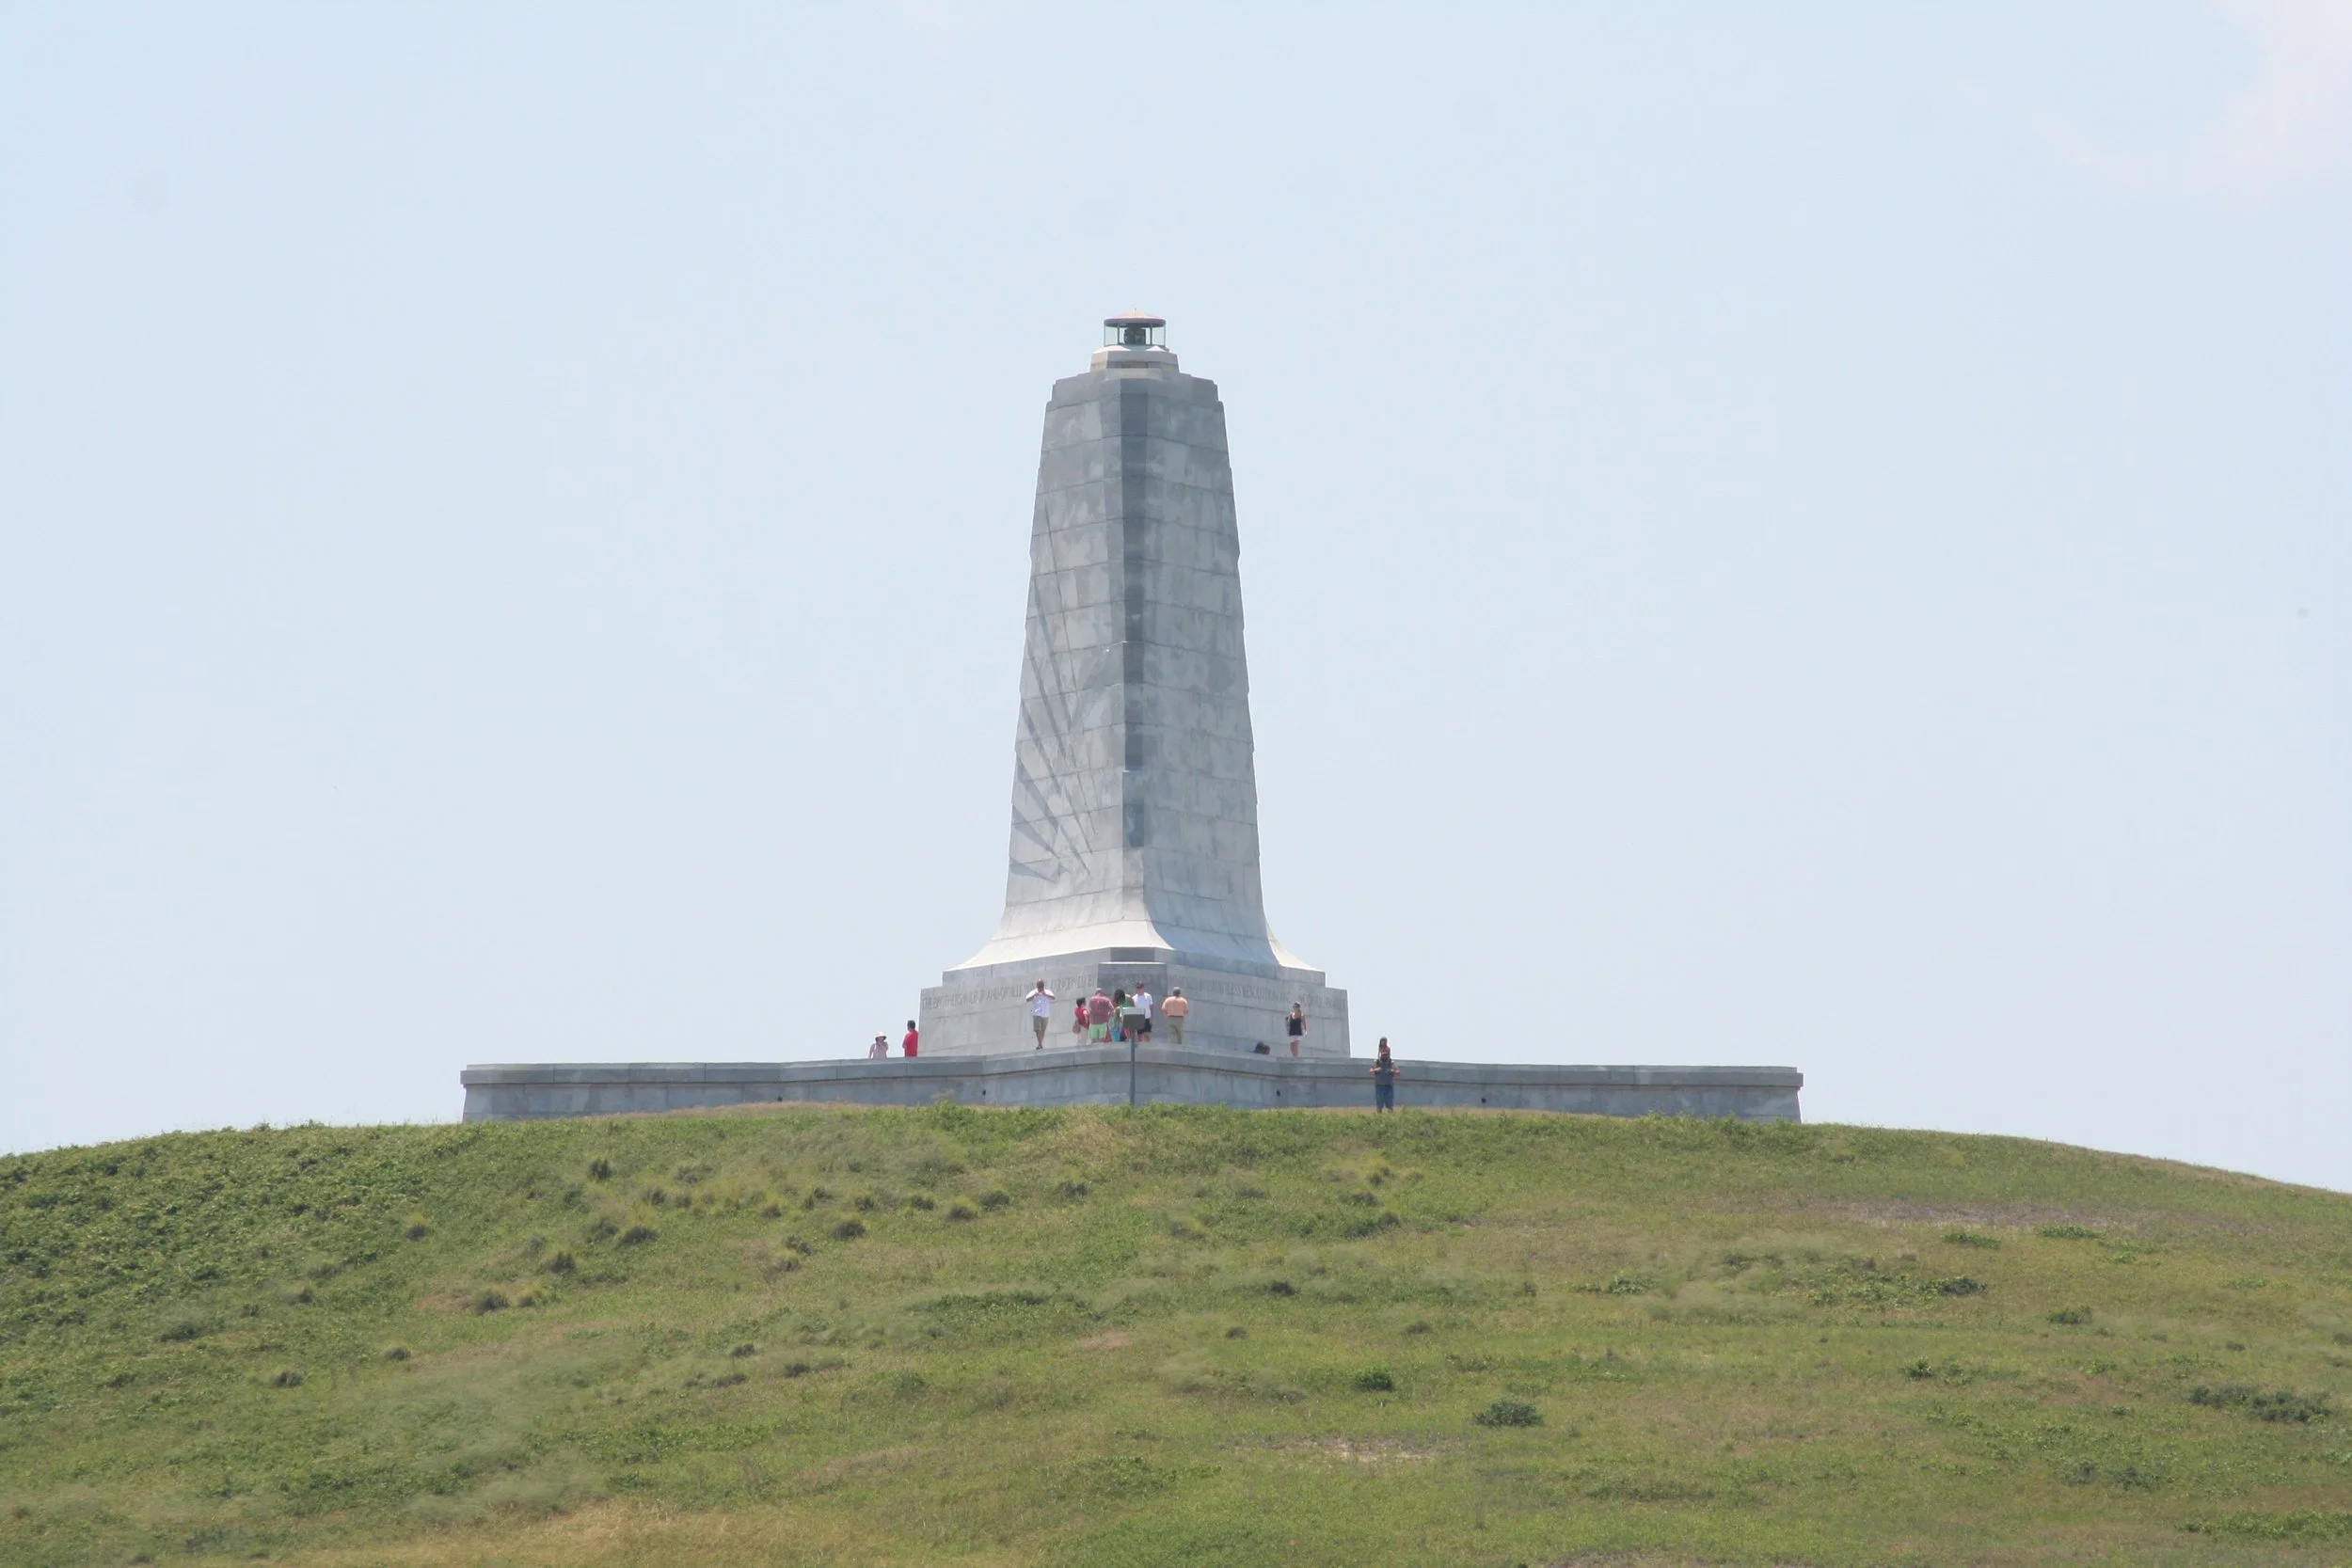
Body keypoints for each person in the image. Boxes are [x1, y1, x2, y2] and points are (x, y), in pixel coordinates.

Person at [1370, 1037, 1401, 1112]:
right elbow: (1370, 1071)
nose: (1384, 1056)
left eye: (1386, 1054)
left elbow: (1398, 1072)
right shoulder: (1377, 1062)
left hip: (1388, 1087)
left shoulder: (1391, 1063)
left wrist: (1392, 1071)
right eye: (1383, 1054)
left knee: (1390, 1106)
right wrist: (1376, 1070)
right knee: (1379, 1106)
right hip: (1379, 1087)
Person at [1026, 980, 1055, 1049]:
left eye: (1041, 986)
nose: (1040, 988)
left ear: (1043, 986)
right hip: (1036, 1014)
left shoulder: (1047, 992)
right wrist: (1034, 995)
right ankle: (1040, 1044)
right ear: (1037, 986)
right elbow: (1027, 999)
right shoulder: (1033, 992)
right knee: (1038, 1030)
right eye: (1039, 986)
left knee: (1042, 1031)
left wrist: (1046, 994)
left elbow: (1053, 998)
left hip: (1045, 1014)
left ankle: (1040, 1044)